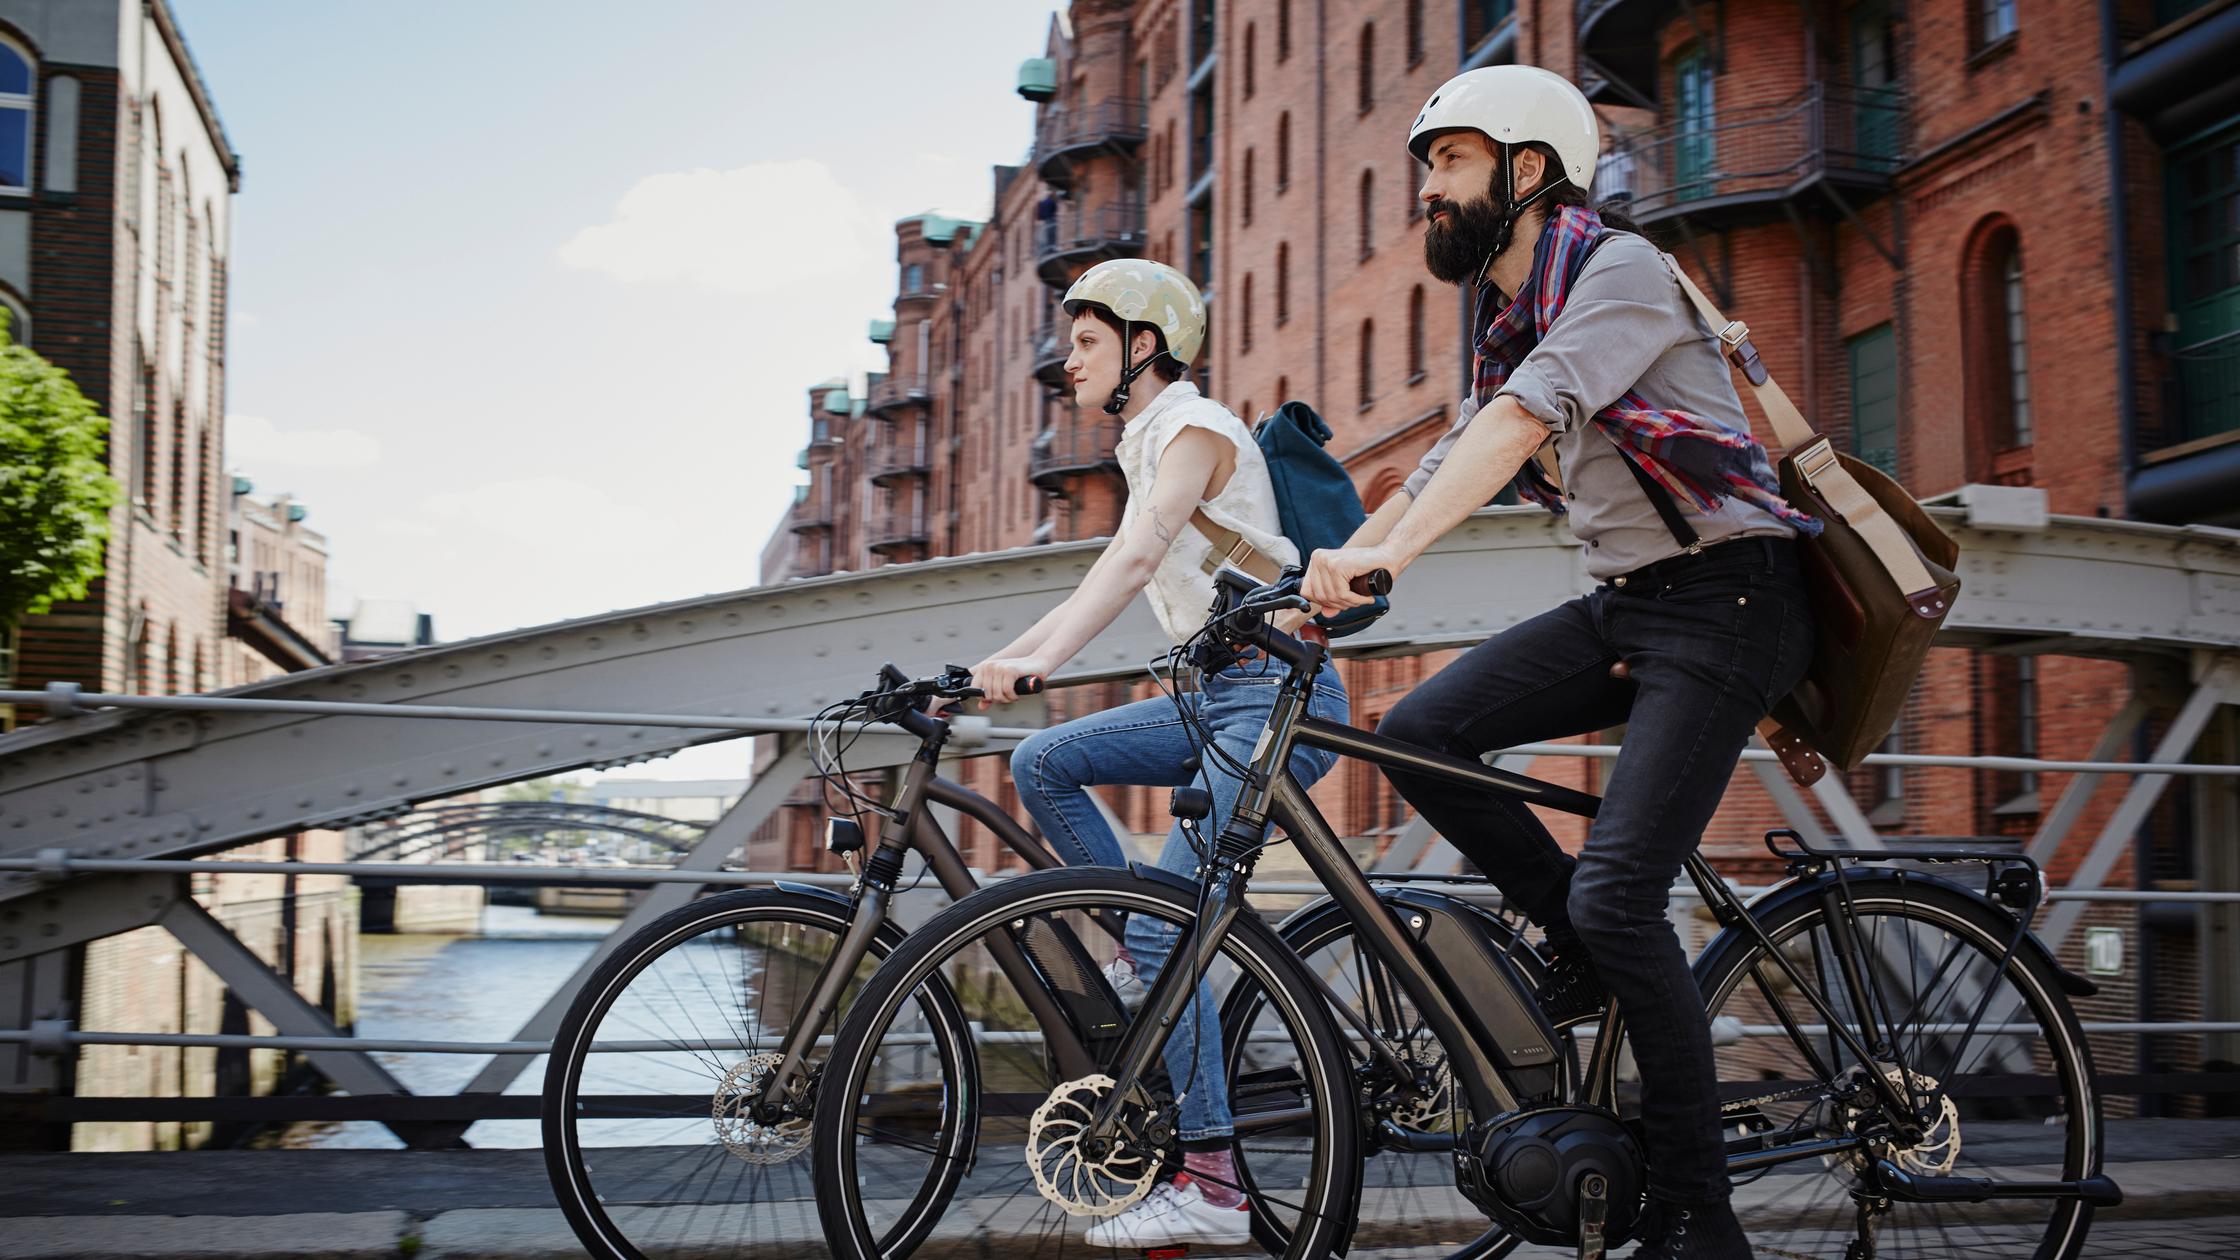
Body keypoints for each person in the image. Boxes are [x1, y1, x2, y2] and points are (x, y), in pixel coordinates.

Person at [1301, 65, 1818, 1260]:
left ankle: (1697, 1214)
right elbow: (1450, 457)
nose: (1425, 189)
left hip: (1733, 599)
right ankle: (1578, 947)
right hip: (1635, 603)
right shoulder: (1507, 310)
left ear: (1526, 170)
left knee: (1622, 892)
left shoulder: (1619, 274)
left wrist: (1387, 564)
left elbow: (1525, 422)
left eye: (1448, 162)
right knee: (1417, 733)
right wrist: (1337, 569)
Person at [968, 258, 1350, 1249]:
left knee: (1162, 934)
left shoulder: (1191, 428)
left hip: (1271, 704)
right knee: (1043, 762)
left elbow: (1132, 558)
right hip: (1214, 695)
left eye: (1089, 342)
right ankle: (1138, 954)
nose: (1069, 361)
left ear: (1145, 346)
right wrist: (1007, 658)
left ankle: (1215, 1186)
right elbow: (1119, 561)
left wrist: (1038, 658)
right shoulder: (1147, 439)